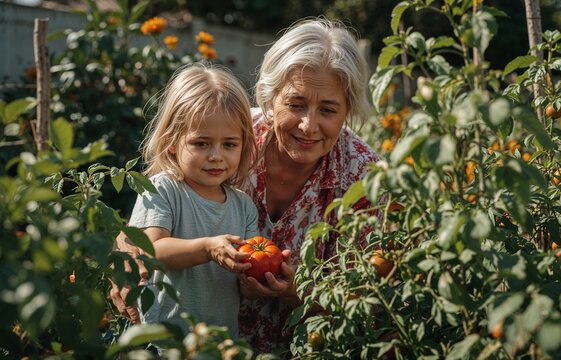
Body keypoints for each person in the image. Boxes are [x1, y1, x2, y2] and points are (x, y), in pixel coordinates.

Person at [110, 18, 380, 355]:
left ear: (348, 110)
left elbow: (369, 299)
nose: (309, 125)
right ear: (271, 96)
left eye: (328, 109)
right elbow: (157, 199)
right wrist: (123, 251)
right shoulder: (230, 131)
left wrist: (291, 288)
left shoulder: (364, 176)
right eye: (295, 104)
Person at [121, 62, 261, 339]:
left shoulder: (244, 206)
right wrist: (208, 248)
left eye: (229, 144)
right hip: (165, 341)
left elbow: (244, 286)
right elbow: (151, 252)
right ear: (172, 140)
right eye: (201, 143)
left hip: (220, 343)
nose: (216, 155)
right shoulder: (163, 189)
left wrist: (260, 276)